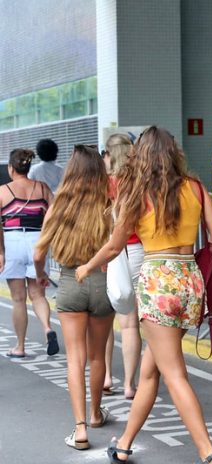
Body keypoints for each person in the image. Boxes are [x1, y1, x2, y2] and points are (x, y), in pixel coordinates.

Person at [75, 127, 212, 464]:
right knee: (149, 371)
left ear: (141, 156)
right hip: (190, 282)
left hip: (158, 282)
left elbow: (115, 246)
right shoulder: (197, 188)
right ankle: (125, 444)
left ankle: (208, 453)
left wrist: (87, 267)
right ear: (174, 153)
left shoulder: (136, 193)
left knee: (174, 374)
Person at [33, 145, 115, 451]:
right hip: (102, 282)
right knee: (97, 357)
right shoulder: (109, 203)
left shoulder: (60, 204)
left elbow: (38, 251)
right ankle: (96, 414)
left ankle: (80, 428)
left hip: (69, 281)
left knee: (75, 357)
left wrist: (41, 275)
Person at [1, 148, 57, 358]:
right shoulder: (42, 189)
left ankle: (20, 347)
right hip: (37, 240)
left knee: (18, 298)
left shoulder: (3, 191)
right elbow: (55, 213)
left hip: (12, 240)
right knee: (38, 294)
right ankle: (47, 329)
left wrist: (0, 253)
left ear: (11, 168)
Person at [102, 133, 143, 400]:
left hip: (110, 251)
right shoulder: (140, 182)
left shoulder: (103, 185)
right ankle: (129, 384)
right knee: (131, 324)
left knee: (107, 318)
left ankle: (106, 376)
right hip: (138, 249)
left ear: (109, 154)